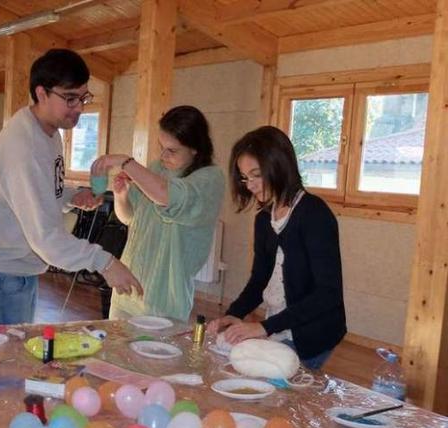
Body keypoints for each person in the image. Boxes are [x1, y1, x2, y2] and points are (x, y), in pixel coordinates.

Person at [0, 48, 142, 328]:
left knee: (13, 354)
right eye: (70, 98)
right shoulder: (24, 146)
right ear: (41, 93)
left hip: (12, 264)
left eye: (83, 97)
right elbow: (46, 238)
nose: (79, 107)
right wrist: (105, 263)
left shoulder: (48, 130)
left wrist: (70, 197)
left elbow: (36, 193)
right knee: (6, 361)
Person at [206, 126, 346, 369]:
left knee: (281, 389)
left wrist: (262, 327)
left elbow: (328, 294)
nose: (250, 185)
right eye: (244, 177)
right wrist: (234, 314)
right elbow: (260, 278)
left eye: (256, 175)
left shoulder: (314, 214)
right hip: (280, 325)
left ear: (279, 166)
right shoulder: (264, 219)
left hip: (312, 332)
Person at [90, 105, 225, 321]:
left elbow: (167, 196)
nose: (163, 155)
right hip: (129, 289)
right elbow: (129, 218)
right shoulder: (157, 168)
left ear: (195, 149)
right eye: (162, 147)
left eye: (172, 150)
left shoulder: (209, 179)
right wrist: (121, 195)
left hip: (164, 299)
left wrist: (125, 162)